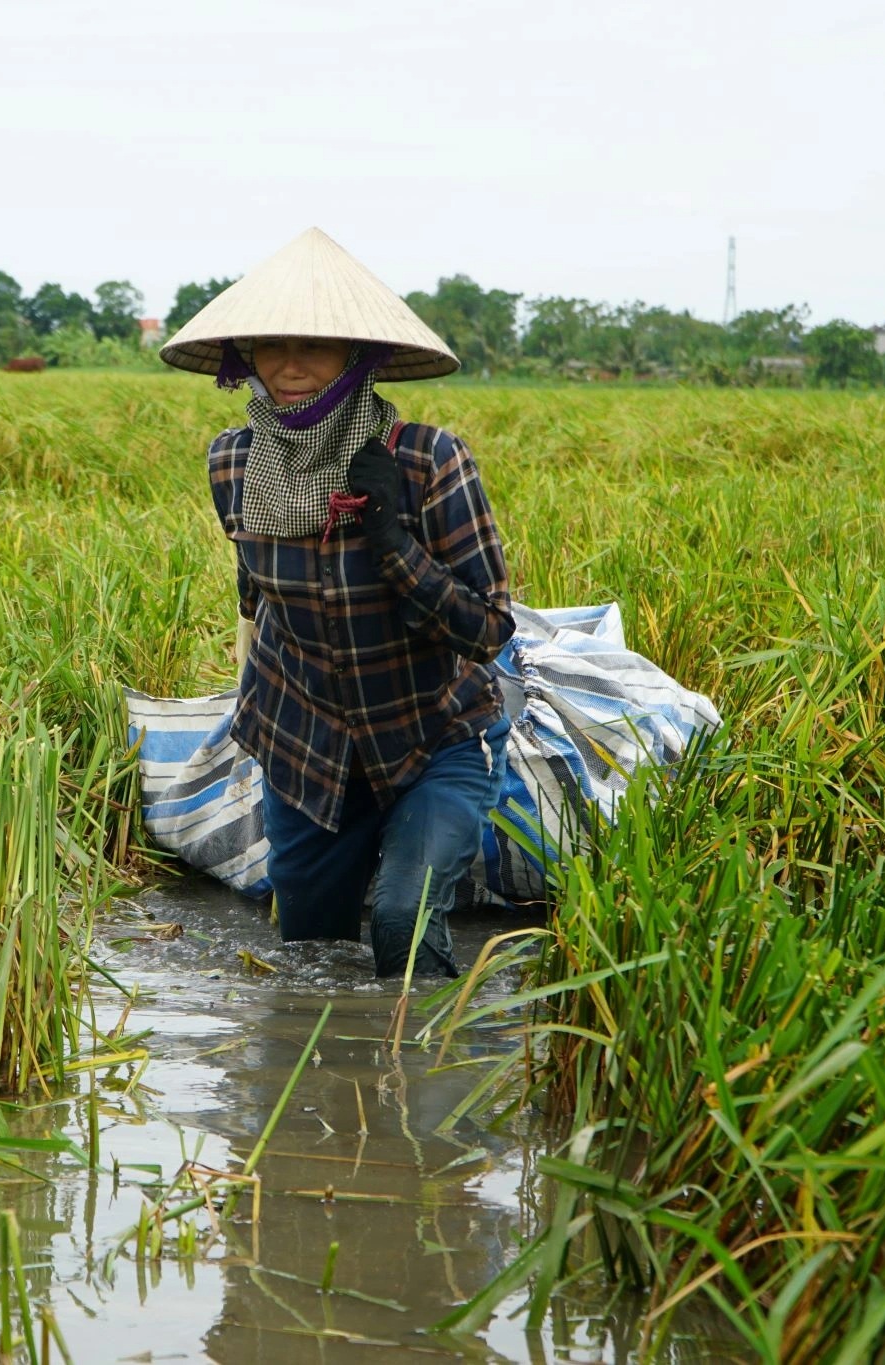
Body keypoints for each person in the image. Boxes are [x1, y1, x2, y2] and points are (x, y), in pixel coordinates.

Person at [158, 228, 517, 979]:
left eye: (314, 347)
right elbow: (254, 597)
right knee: (309, 956)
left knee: (400, 927)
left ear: (358, 357)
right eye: (271, 346)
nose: (289, 367)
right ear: (245, 357)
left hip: (430, 740)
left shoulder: (426, 459)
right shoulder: (233, 461)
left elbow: (488, 629)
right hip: (306, 750)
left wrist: (394, 542)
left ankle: (422, 1074)